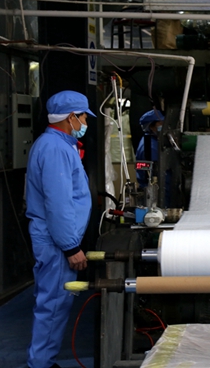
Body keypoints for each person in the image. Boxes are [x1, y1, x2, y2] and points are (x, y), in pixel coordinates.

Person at [25, 90, 95, 368]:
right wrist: (71, 247)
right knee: (53, 304)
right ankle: (41, 364)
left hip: (56, 238)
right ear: (71, 117)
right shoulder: (55, 148)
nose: (85, 123)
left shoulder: (58, 145)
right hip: (56, 242)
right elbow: (58, 203)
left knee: (54, 302)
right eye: (83, 117)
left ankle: (43, 361)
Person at [135, 109, 164, 188]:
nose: (164, 126)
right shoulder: (150, 146)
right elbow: (154, 175)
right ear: (151, 126)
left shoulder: (155, 141)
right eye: (161, 123)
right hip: (156, 189)